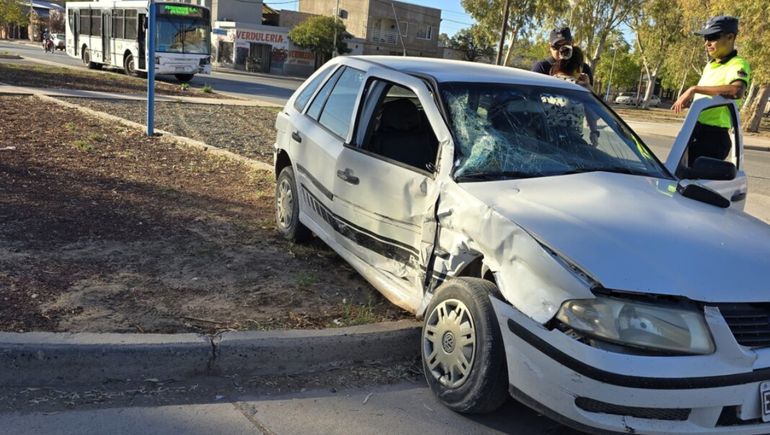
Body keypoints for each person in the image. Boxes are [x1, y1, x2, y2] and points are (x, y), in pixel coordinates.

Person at [671, 16, 752, 166]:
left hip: (713, 137)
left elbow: (736, 90)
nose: (707, 43)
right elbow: (712, 97)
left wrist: (694, 89)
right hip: (694, 130)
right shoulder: (710, 65)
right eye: (706, 38)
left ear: (730, 37)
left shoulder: (737, 64)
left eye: (713, 37)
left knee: (695, 185)